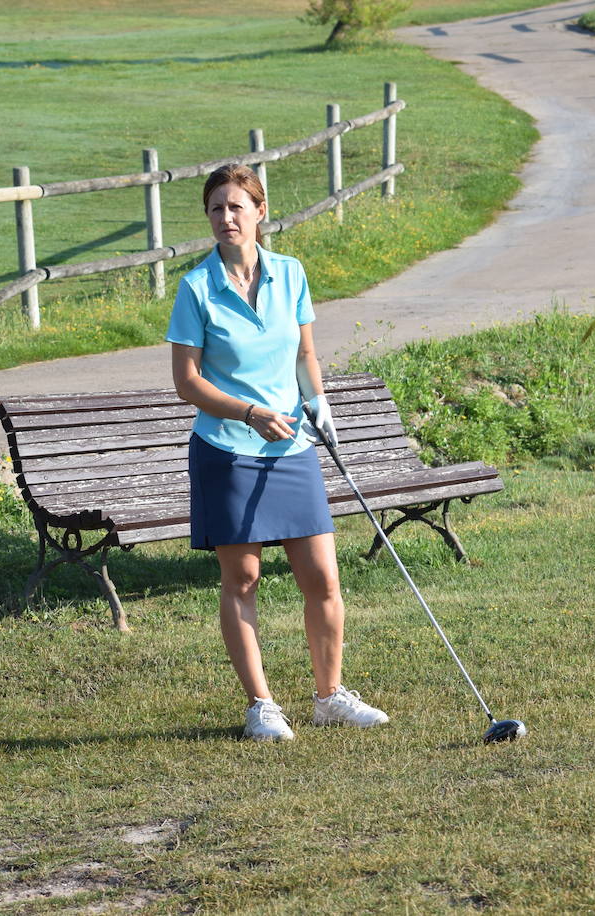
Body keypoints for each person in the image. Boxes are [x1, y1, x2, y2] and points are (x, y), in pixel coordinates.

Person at [166, 163, 389, 742]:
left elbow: (304, 353)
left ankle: (329, 696)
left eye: (237, 206)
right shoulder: (196, 288)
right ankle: (261, 707)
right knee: (241, 579)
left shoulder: (291, 274)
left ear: (260, 213)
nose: (226, 218)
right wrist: (247, 412)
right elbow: (187, 383)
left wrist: (320, 404)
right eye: (216, 208)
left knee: (323, 579)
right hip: (226, 450)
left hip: (291, 448)